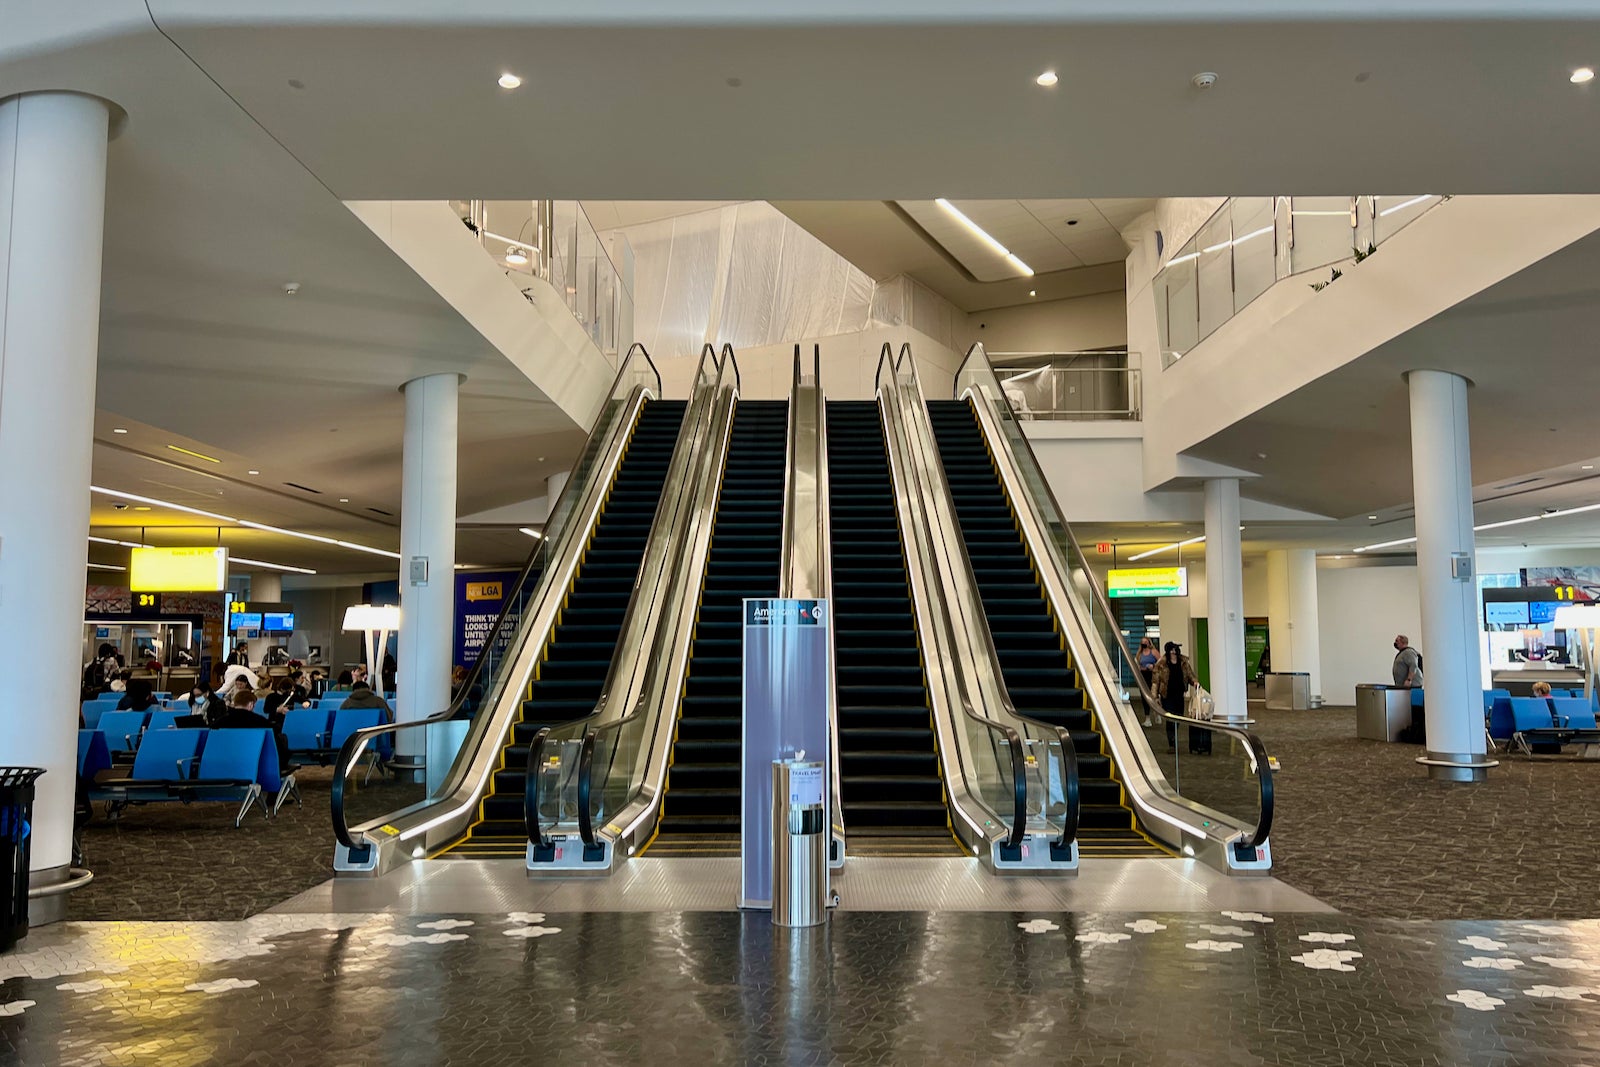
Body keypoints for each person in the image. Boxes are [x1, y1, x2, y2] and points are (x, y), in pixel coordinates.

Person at [1154, 642, 1201, 754]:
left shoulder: (1183, 663)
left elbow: (1190, 675)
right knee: (1170, 717)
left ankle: (1174, 736)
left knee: (1179, 716)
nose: (1173, 652)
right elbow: (1155, 681)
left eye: (1175, 650)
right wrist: (1154, 696)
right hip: (1167, 695)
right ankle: (1172, 743)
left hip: (1179, 694)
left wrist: (1194, 682)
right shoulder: (1162, 664)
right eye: (1171, 650)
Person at [1136, 638, 1159, 727]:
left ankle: (1157, 712)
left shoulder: (1153, 652)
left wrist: (1153, 666)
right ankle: (1147, 718)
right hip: (1143, 675)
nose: (1144, 644)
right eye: (1142, 642)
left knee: (1153, 695)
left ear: (1149, 643)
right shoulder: (1139, 654)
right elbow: (1138, 664)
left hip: (1152, 676)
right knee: (1144, 696)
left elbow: (1161, 662)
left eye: (1145, 642)